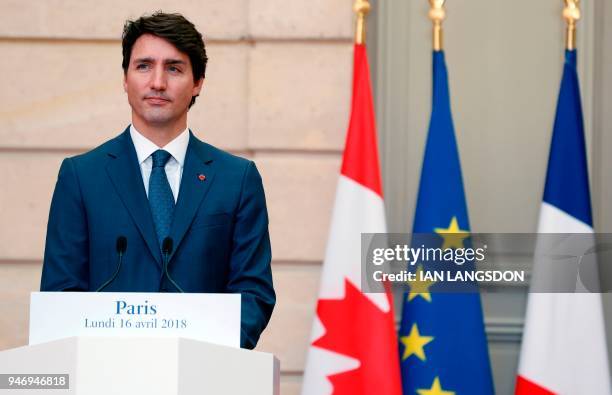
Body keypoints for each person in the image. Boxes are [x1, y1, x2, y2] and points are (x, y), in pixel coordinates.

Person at [40, 12, 275, 349]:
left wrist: (205, 354)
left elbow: (253, 292)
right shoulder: (81, 176)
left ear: (198, 82)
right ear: (125, 78)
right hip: (106, 374)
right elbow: (61, 294)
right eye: (144, 66)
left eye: (174, 68)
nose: (158, 83)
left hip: (204, 375)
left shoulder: (236, 179)